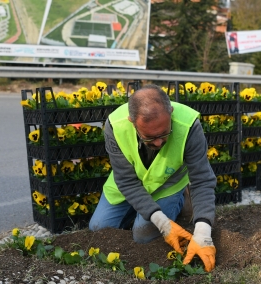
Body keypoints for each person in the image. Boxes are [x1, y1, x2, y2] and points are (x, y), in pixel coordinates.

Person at [89, 84, 217, 272]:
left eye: (164, 133)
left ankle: (182, 199)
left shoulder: (189, 125)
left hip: (167, 184)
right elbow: (126, 180)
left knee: (142, 236)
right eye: (149, 137)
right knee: (99, 229)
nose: (158, 142)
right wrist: (163, 224)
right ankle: (144, 211)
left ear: (171, 112)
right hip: (127, 185)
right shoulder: (115, 125)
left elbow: (202, 179)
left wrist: (203, 232)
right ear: (132, 121)